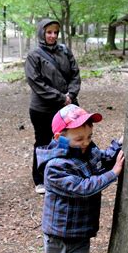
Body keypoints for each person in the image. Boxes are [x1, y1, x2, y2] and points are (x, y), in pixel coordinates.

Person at [37, 104, 124, 253]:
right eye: (79, 139)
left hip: (80, 234)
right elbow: (83, 187)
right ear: (59, 137)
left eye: (89, 137)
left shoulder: (89, 150)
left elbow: (104, 158)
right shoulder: (54, 167)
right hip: (57, 236)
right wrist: (113, 173)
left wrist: (118, 146)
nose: (85, 142)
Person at [25, 19, 81, 194]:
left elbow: (75, 74)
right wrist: (60, 98)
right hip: (42, 108)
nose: (52, 35)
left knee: (67, 140)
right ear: (42, 32)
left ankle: (64, 174)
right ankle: (40, 178)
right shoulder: (34, 55)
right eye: (49, 32)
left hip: (66, 105)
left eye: (55, 32)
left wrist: (71, 95)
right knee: (43, 142)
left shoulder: (65, 51)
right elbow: (36, 82)